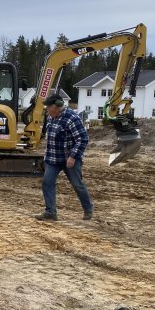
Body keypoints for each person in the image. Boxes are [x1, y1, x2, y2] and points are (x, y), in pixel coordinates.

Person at [35, 93, 93, 221]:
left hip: (69, 159)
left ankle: (88, 209)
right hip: (53, 159)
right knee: (47, 183)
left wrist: (73, 157)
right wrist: (46, 158)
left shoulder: (72, 118)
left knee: (77, 184)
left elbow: (83, 138)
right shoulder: (51, 117)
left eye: (48, 107)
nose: (47, 110)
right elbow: (50, 140)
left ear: (56, 107)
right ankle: (50, 212)